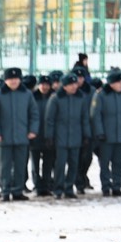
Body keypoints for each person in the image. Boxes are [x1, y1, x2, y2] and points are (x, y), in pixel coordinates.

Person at [0, 67, 38, 202]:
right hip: (4, 137)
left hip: (22, 136)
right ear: (6, 81)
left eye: (16, 79)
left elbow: (34, 114)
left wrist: (33, 130)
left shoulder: (27, 95)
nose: (14, 82)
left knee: (21, 165)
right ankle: (5, 190)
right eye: (11, 79)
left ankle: (17, 190)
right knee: (4, 166)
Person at [90, 70, 121, 198]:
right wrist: (99, 132)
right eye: (118, 82)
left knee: (118, 162)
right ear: (111, 83)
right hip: (106, 136)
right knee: (105, 163)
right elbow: (96, 116)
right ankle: (106, 186)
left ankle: (117, 186)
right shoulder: (101, 95)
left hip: (120, 135)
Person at [44, 70, 90, 200]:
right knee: (60, 164)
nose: (74, 86)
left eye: (75, 84)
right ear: (64, 86)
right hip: (61, 137)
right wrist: (49, 136)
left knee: (74, 163)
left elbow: (84, 118)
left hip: (76, 136)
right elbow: (50, 119)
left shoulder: (81, 98)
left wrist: (86, 135)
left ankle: (69, 187)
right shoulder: (56, 98)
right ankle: (58, 188)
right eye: (71, 84)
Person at [30, 75, 54, 197]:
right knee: (35, 163)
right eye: (42, 84)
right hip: (35, 135)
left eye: (47, 85)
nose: (44, 87)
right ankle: (37, 185)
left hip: (49, 136)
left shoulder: (53, 97)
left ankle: (46, 184)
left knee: (48, 163)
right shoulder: (32, 97)